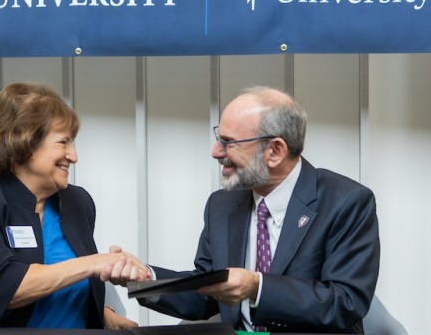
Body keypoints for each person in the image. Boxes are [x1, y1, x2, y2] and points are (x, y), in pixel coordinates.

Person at [138, 86, 380, 333]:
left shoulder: (346, 202)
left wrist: (258, 287)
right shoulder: (222, 205)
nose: (216, 152)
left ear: (275, 151)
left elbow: (346, 302)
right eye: (218, 138)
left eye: (229, 142)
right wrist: (144, 278)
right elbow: (207, 293)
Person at [0, 82, 149, 329]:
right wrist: (95, 262)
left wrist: (103, 315)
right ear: (25, 142)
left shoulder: (77, 203)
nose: (73, 156)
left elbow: (64, 286)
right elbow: (3, 289)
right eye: (63, 142)